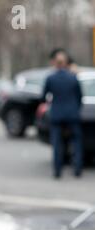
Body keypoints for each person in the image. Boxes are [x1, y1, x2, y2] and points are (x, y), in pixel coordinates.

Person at [42, 49, 84, 178]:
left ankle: (57, 171)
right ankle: (77, 169)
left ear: (55, 63)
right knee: (76, 142)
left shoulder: (50, 78)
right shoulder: (73, 77)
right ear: (66, 63)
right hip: (72, 114)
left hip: (57, 115)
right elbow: (79, 97)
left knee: (57, 144)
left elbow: (44, 97)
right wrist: (76, 109)